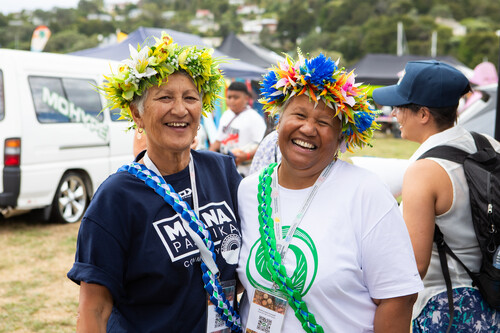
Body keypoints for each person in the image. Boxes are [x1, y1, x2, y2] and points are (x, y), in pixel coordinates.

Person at [67, 33, 243, 332]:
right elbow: (94, 310)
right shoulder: (117, 196)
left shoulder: (221, 170)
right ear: (137, 113)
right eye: (164, 97)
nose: (180, 109)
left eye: (190, 97)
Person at [237, 52, 423, 332]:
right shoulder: (250, 191)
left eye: (324, 123)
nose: (308, 128)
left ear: (341, 137)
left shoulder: (365, 193)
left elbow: (398, 298)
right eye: (298, 114)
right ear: (277, 120)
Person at [372, 60, 500, 332]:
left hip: (446, 310)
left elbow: (414, 266)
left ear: (423, 114)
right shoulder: (489, 145)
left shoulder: (424, 172)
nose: (394, 113)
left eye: (400, 106)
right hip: (492, 303)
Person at [209, 81, 266, 177]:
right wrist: (207, 158)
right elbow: (218, 141)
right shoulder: (226, 115)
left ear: (246, 98)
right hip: (226, 169)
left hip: (245, 172)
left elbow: (262, 147)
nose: (231, 101)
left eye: (236, 97)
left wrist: (246, 156)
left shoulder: (255, 118)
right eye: (229, 97)